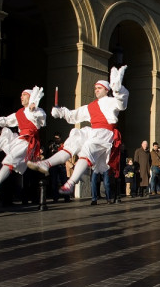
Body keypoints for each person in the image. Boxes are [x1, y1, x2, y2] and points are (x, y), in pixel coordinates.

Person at [27, 66, 128, 195]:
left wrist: (119, 90)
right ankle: (46, 163)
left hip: (104, 133)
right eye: (95, 88)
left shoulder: (112, 101)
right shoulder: (90, 106)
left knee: (88, 147)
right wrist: (61, 112)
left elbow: (122, 103)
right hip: (93, 131)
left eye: (99, 88)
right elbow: (73, 115)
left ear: (107, 90)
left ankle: (70, 183)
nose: (96, 90)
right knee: (74, 140)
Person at [47, 132, 70, 203]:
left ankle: (66, 197)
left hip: (61, 165)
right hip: (54, 165)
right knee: (54, 182)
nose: (56, 139)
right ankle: (55, 197)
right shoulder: (52, 145)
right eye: (55, 138)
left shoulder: (63, 145)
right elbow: (50, 153)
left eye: (58, 138)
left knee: (64, 181)